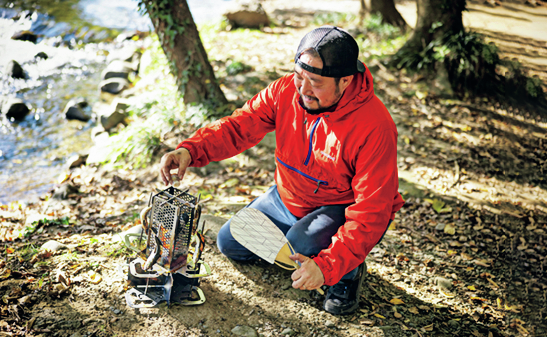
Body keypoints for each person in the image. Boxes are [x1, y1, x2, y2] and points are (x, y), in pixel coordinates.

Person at [159, 26, 404, 315]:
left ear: (346, 80)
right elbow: (240, 125)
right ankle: (300, 246)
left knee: (300, 242)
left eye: (315, 82)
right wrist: (191, 150)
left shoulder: (374, 126)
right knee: (229, 243)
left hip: (338, 206)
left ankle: (348, 272)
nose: (303, 89)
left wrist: (328, 266)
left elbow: (371, 210)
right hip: (287, 197)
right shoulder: (285, 90)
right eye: (299, 77)